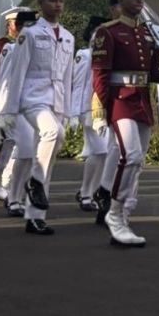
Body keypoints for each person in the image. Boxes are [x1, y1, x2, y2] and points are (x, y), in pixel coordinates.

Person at [91, 0, 159, 247]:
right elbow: (101, 74)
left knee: (137, 161)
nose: (140, 2)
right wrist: (101, 109)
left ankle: (124, 213)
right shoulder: (108, 31)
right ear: (121, 0)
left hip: (141, 101)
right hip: (121, 100)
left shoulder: (145, 32)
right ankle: (114, 213)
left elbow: (149, 73)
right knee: (131, 155)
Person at [0, 0, 75, 235]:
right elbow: (16, 73)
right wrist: (8, 110)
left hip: (56, 101)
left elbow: (67, 77)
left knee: (55, 143)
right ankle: (35, 182)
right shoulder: (29, 34)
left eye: (60, 1)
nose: (57, 5)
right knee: (51, 133)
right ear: (41, 4)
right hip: (32, 99)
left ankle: (35, 216)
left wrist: (68, 111)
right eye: (52, 0)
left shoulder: (68, 36)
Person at [0, 6, 30, 201]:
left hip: (26, 100)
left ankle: (10, 181)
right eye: (17, 24)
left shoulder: (30, 42)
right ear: (9, 25)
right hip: (3, 100)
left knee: (24, 143)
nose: (20, 27)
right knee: (10, 140)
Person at [0, 10, 38, 218]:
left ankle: (18, 196)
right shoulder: (11, 49)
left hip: (36, 104)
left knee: (31, 156)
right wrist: (5, 110)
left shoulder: (40, 47)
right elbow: (6, 81)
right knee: (25, 152)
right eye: (28, 25)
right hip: (17, 106)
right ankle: (13, 197)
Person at [71, 15, 109, 213]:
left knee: (102, 153)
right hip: (89, 109)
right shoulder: (84, 55)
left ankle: (89, 192)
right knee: (100, 151)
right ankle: (87, 193)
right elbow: (78, 85)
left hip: (106, 109)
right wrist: (74, 113)